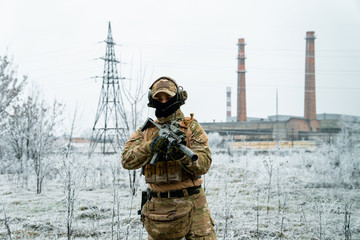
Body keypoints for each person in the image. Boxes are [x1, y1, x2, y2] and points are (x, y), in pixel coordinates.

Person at [121, 76, 216, 240]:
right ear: (152, 100)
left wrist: (183, 157)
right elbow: (126, 160)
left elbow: (204, 164)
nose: (163, 101)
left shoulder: (191, 127)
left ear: (177, 97)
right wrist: (150, 146)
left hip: (192, 203)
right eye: (158, 98)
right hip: (158, 209)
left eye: (168, 97)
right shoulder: (146, 131)